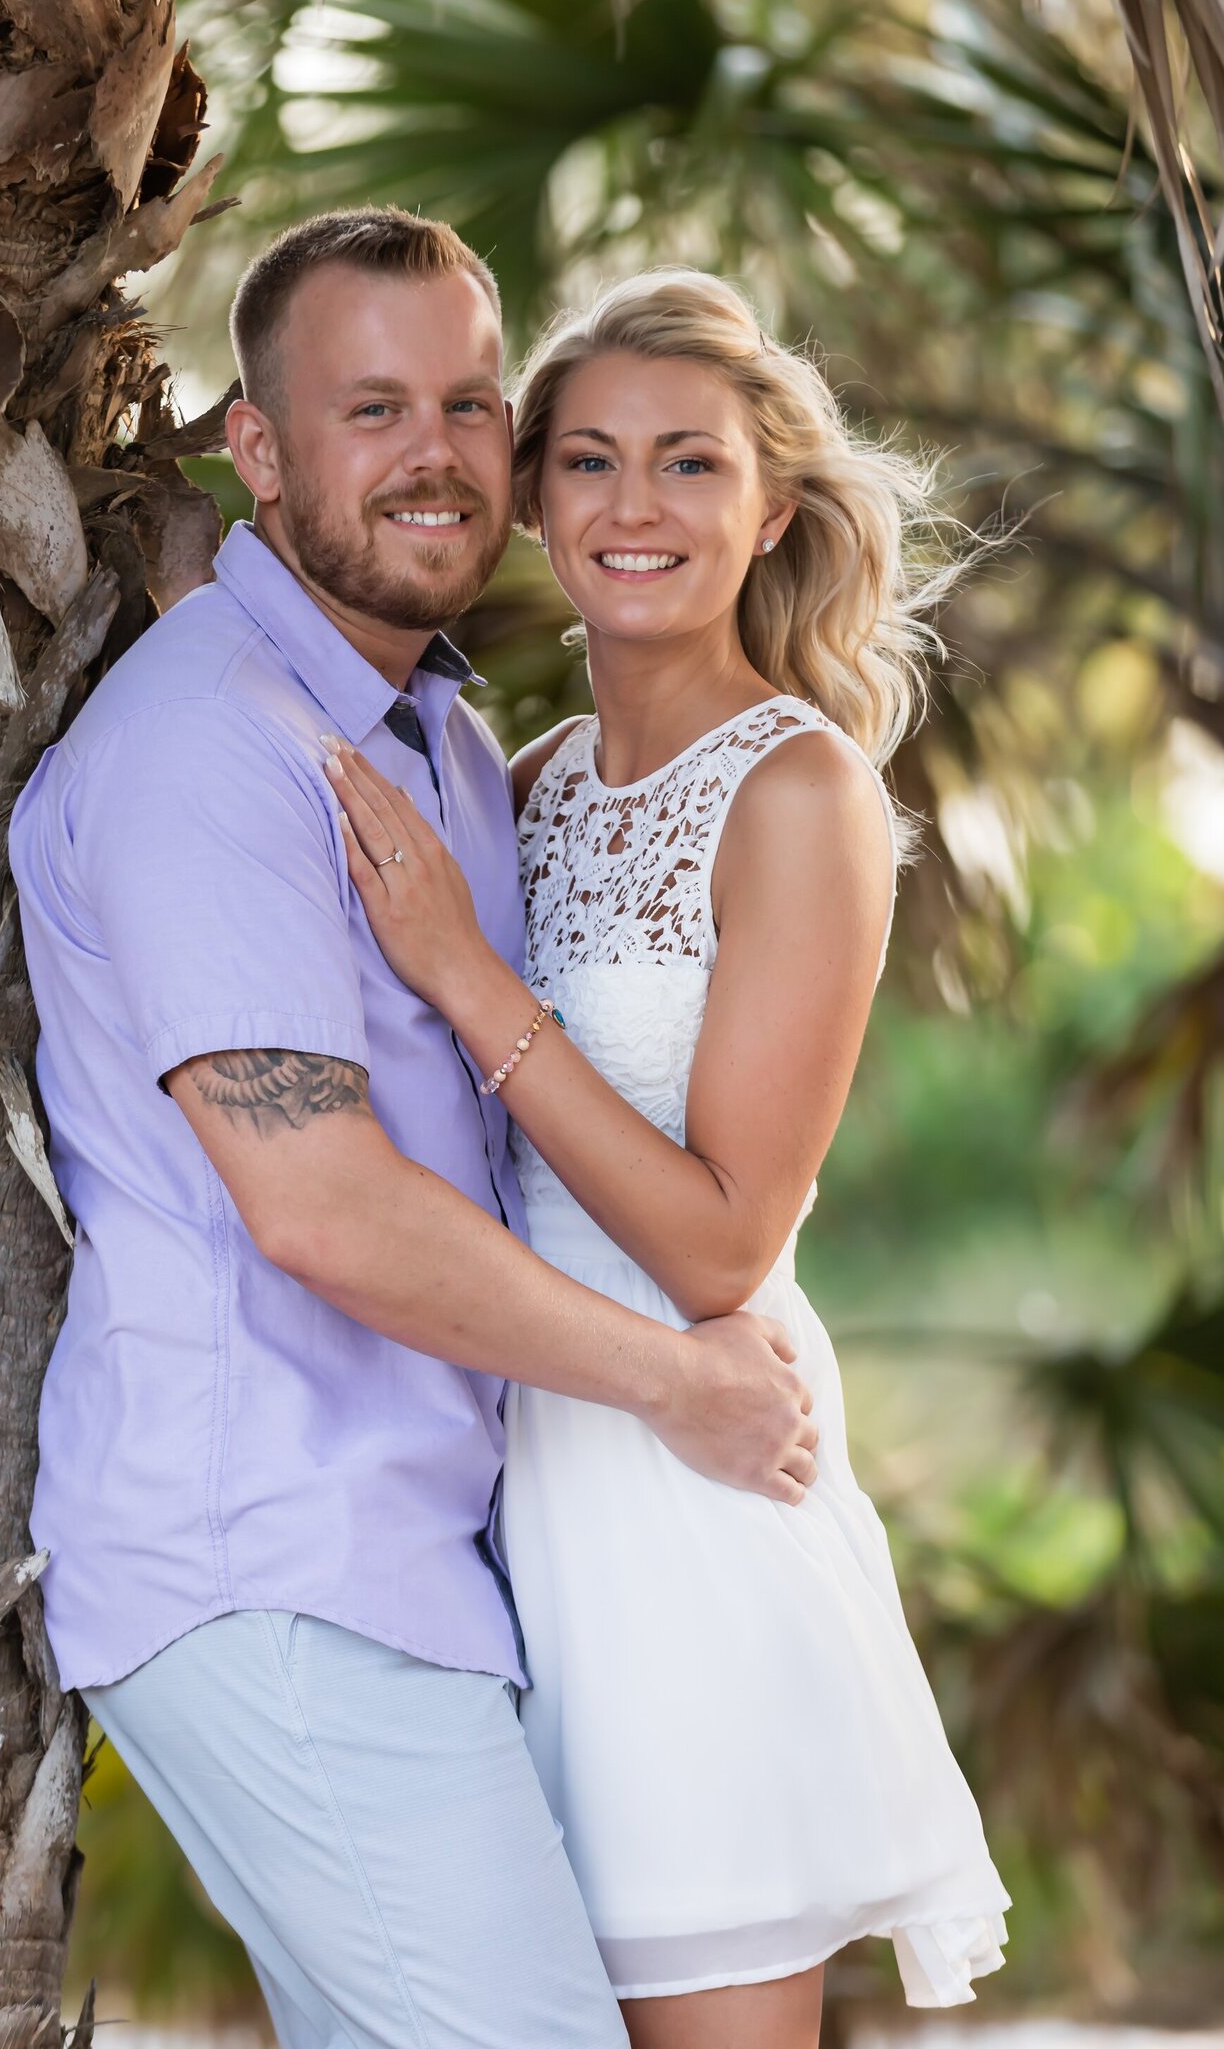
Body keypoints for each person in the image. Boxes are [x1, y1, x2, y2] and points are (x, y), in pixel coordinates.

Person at [8, 212, 818, 2049]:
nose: (437, 451)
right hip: (271, 1569)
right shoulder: (219, 743)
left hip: (425, 1565)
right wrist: (679, 1382)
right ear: (258, 448)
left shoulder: (446, 741)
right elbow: (321, 1208)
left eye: (468, 399)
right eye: (370, 408)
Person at [323, 268, 1010, 2049]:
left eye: (690, 465)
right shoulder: (528, 777)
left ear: (768, 504)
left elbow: (719, 1246)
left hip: (687, 1488)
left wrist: (471, 980)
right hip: (503, 1483)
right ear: (537, 497)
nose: (637, 510)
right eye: (594, 462)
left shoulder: (803, 796)